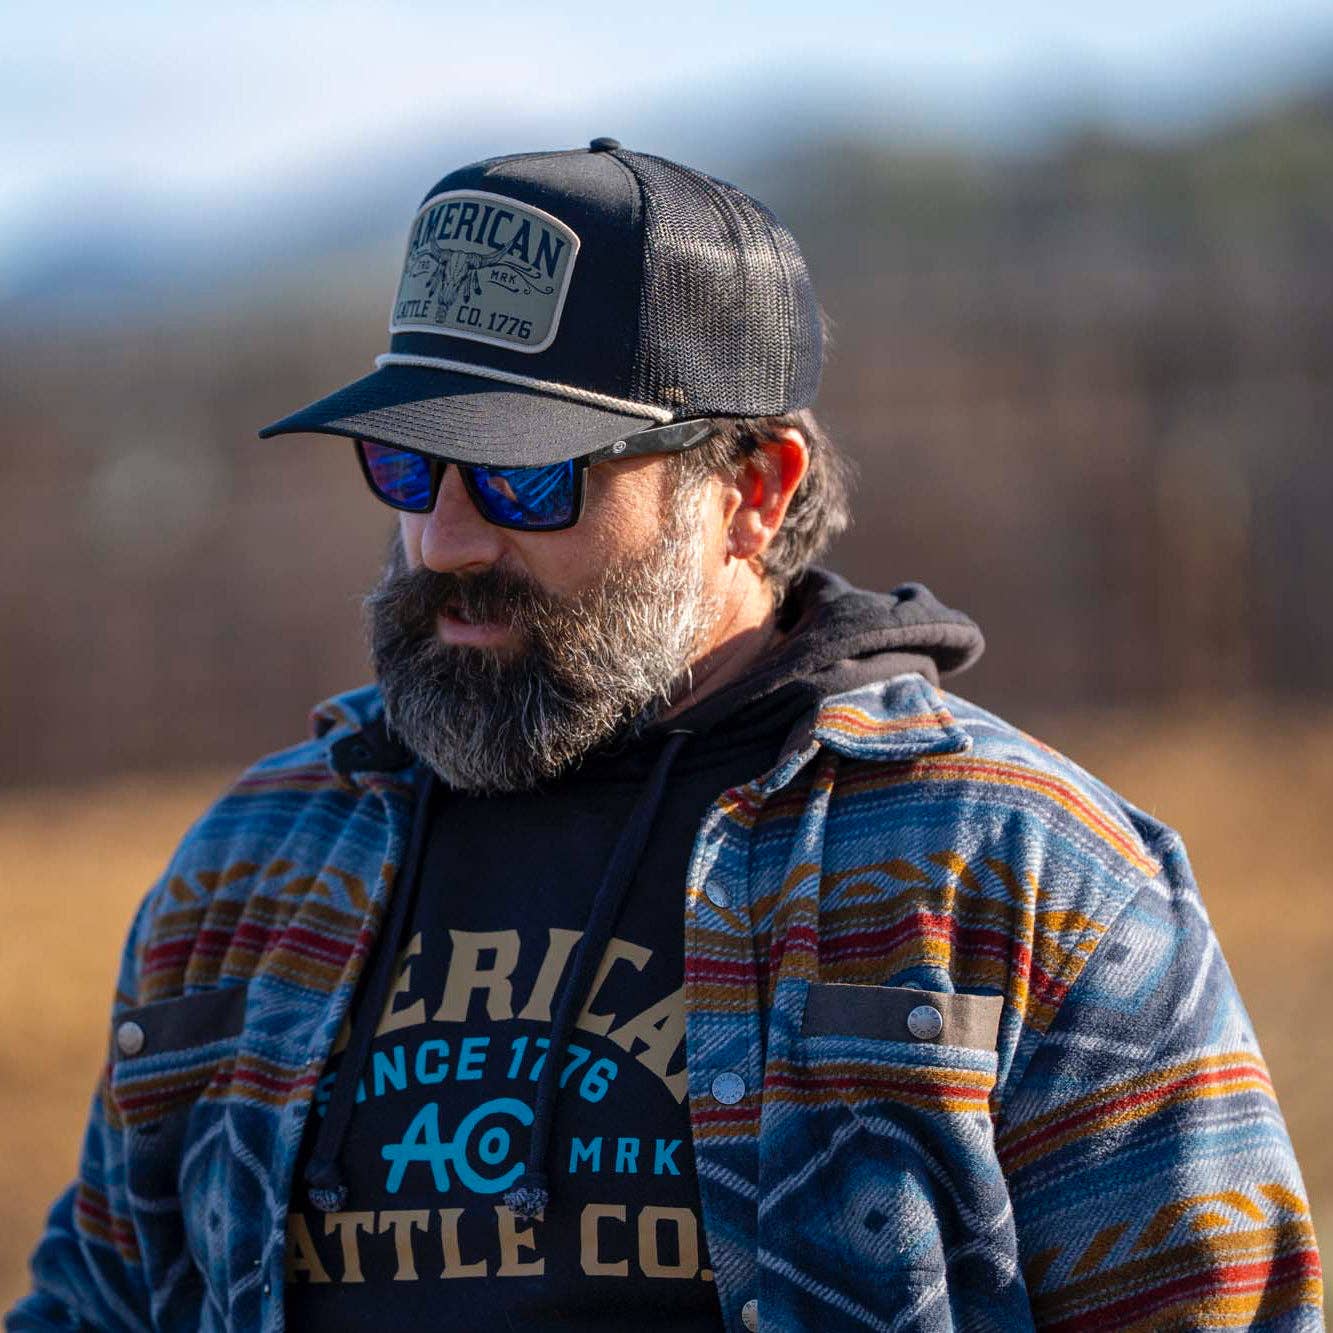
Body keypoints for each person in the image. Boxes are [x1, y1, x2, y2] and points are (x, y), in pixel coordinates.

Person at [8, 140, 1322, 1333]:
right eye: (407, 464)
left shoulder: (1015, 872)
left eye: (529, 475)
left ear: (754, 489)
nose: (444, 538)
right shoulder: (255, 867)